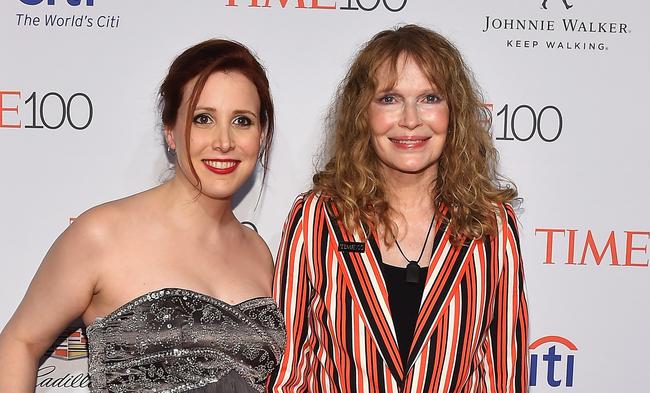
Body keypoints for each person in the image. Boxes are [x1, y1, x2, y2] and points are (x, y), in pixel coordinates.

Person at [0, 39, 285, 393]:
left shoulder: (260, 253)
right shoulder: (102, 234)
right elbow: (19, 343)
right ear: (170, 131)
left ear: (261, 135)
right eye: (203, 119)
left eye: (242, 120)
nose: (223, 141)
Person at [269, 25, 528, 392]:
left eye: (430, 98)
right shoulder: (316, 218)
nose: (410, 119)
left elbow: (504, 377)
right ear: (363, 113)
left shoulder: (493, 226)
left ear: (453, 113)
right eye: (389, 98)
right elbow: (286, 372)